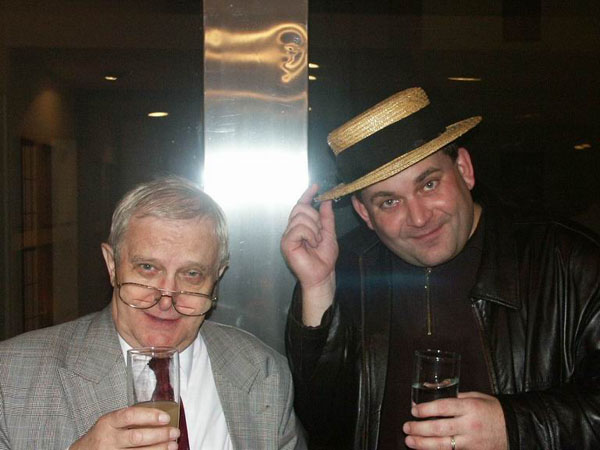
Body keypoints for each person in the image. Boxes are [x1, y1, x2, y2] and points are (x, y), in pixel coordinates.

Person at [281, 87, 600, 450]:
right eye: (389, 202)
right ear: (364, 213)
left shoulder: (564, 260)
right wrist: (318, 288)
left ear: (464, 169)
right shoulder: (348, 269)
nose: (418, 218)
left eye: (429, 184)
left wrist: (515, 427)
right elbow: (320, 420)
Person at [0, 176, 306, 450]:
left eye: (192, 274)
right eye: (147, 268)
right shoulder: (11, 377)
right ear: (112, 265)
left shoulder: (265, 373)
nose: (166, 298)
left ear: (217, 278)